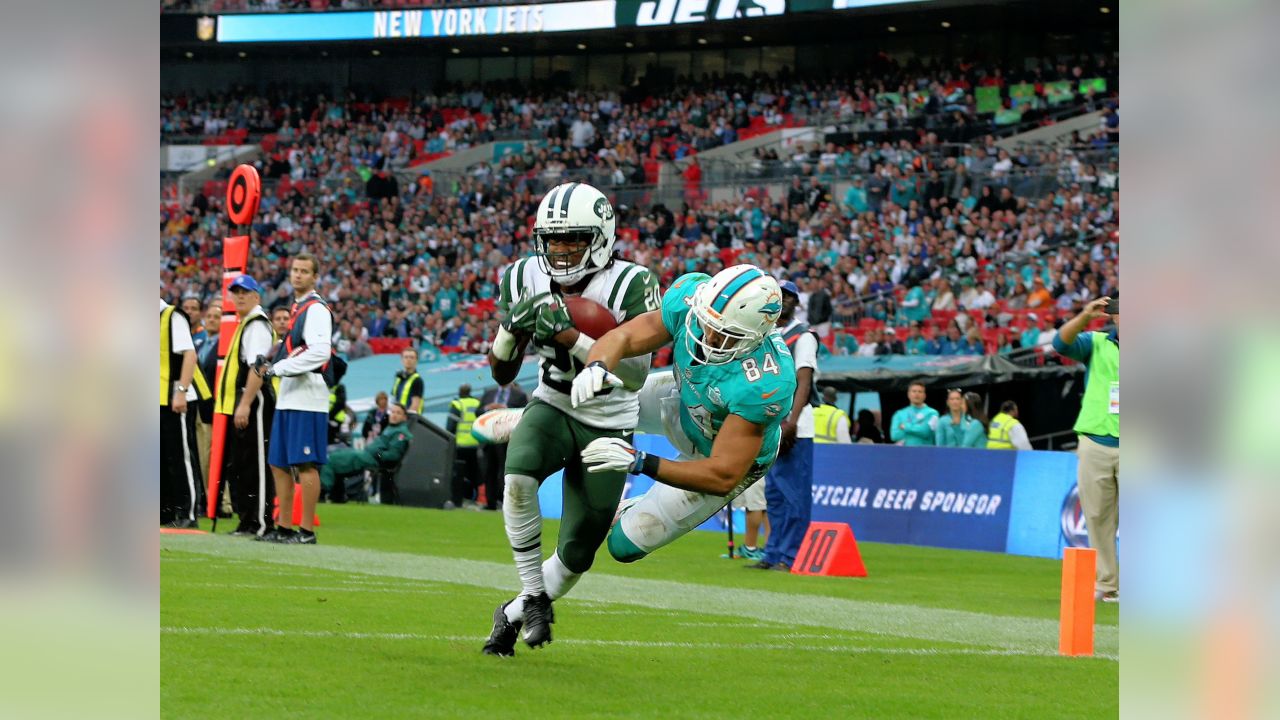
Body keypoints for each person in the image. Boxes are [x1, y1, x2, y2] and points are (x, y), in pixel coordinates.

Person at [482, 181, 660, 655]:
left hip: (609, 418)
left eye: (574, 239)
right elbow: (503, 369)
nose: (561, 250)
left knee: (578, 553)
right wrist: (508, 330)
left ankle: (515, 610)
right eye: (553, 239)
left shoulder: (632, 282)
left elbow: (637, 375)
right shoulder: (522, 276)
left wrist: (572, 339)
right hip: (554, 404)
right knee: (518, 477)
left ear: (601, 236)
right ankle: (535, 595)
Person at [568, 265, 794, 576]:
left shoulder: (766, 383)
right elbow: (626, 334)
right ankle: (526, 421)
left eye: (724, 334)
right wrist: (597, 365)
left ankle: (631, 510)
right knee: (590, 400)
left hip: (718, 450)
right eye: (705, 323)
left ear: (754, 338)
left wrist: (640, 462)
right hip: (684, 399)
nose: (708, 336)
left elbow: (721, 474)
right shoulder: (691, 297)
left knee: (623, 547)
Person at [256, 253, 334, 545]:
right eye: (294, 270)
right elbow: (297, 347)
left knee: (305, 464)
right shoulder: (299, 308)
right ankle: (285, 526)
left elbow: (319, 351)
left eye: (304, 271)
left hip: (308, 396)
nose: (297, 275)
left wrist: (278, 368)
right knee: (278, 462)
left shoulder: (316, 309)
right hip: (290, 396)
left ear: (314, 277)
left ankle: (306, 531)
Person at [740, 278, 817, 571]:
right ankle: (773, 552)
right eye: (779, 295)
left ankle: (791, 555)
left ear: (796, 302)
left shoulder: (803, 335)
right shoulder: (765, 335)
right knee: (774, 492)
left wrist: (792, 421)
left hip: (796, 423)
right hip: (772, 422)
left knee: (794, 492)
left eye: (789, 296)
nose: (784, 300)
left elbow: (804, 379)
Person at [1052, 295, 1120, 602]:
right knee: (1096, 516)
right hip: (1096, 441)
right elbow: (1060, 344)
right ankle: (1107, 584)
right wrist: (1084, 316)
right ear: (1114, 317)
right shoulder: (1096, 341)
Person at [215, 276, 277, 537]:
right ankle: (247, 520)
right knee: (242, 464)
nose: (239, 297)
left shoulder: (257, 325)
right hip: (246, 399)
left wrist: (245, 403)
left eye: (245, 292)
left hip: (255, 398)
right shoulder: (246, 324)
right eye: (235, 292)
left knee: (257, 463)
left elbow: (258, 366)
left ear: (257, 297)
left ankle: (260, 522)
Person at [160, 298, 212, 528]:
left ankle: (188, 512)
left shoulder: (173, 316)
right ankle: (166, 512)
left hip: (174, 396)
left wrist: (181, 391)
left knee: (181, 456)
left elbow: (189, 355)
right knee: (160, 459)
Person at [322, 403, 413, 503]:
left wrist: (377, 453)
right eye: (393, 412)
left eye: (398, 413)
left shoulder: (400, 433)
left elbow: (393, 456)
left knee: (333, 460)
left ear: (404, 417)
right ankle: (337, 496)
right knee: (337, 454)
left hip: (373, 459)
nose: (394, 415)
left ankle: (322, 491)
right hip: (367, 455)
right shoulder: (391, 428)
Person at [478, 381, 528, 511]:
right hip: (489, 439)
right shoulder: (489, 393)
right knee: (489, 470)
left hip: (507, 440)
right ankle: (490, 503)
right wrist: (487, 408)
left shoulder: (519, 395)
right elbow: (478, 412)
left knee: (505, 471)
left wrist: (505, 411)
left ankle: (507, 502)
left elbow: (524, 414)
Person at [446, 384, 482, 509]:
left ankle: (458, 499)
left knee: (458, 474)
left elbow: (450, 427)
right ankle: (474, 498)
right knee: (473, 474)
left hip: (460, 445)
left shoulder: (457, 404)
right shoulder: (477, 403)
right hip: (475, 445)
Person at [391, 347, 424, 414]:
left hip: (410, 418)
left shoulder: (417, 380)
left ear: (416, 360)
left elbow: (415, 405)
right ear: (402, 360)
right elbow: (393, 399)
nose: (408, 360)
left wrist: (404, 418)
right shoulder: (398, 378)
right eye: (406, 357)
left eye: (412, 357)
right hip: (398, 417)